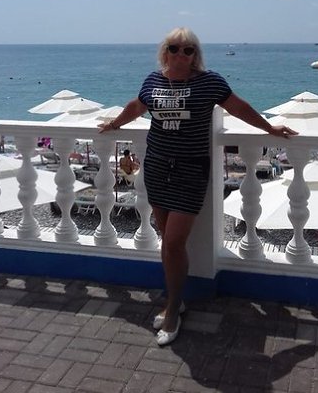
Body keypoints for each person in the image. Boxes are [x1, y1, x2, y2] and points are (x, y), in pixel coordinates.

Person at [99, 27, 297, 346]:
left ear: (195, 55)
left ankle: (173, 309)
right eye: (174, 48)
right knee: (167, 242)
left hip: (190, 171)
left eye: (188, 49)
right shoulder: (153, 81)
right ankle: (175, 300)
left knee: (174, 242)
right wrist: (114, 124)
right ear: (165, 51)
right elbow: (137, 106)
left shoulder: (209, 82)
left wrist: (269, 128)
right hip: (157, 167)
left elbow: (238, 107)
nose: (181, 54)